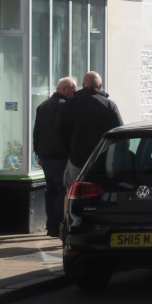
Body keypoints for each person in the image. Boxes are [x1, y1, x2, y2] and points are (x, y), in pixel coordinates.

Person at [59, 71, 124, 191]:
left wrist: (70, 153)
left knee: (73, 195)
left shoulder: (69, 105)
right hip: (101, 162)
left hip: (76, 160)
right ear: (99, 86)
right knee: (100, 194)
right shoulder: (109, 106)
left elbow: (61, 132)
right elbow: (119, 135)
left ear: (83, 85)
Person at [33, 76, 77, 237]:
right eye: (74, 90)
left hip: (46, 157)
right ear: (65, 89)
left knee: (50, 189)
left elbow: (36, 132)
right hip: (61, 156)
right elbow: (69, 132)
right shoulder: (66, 106)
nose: (75, 93)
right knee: (61, 189)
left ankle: (50, 223)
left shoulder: (43, 106)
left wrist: (38, 153)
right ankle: (57, 225)